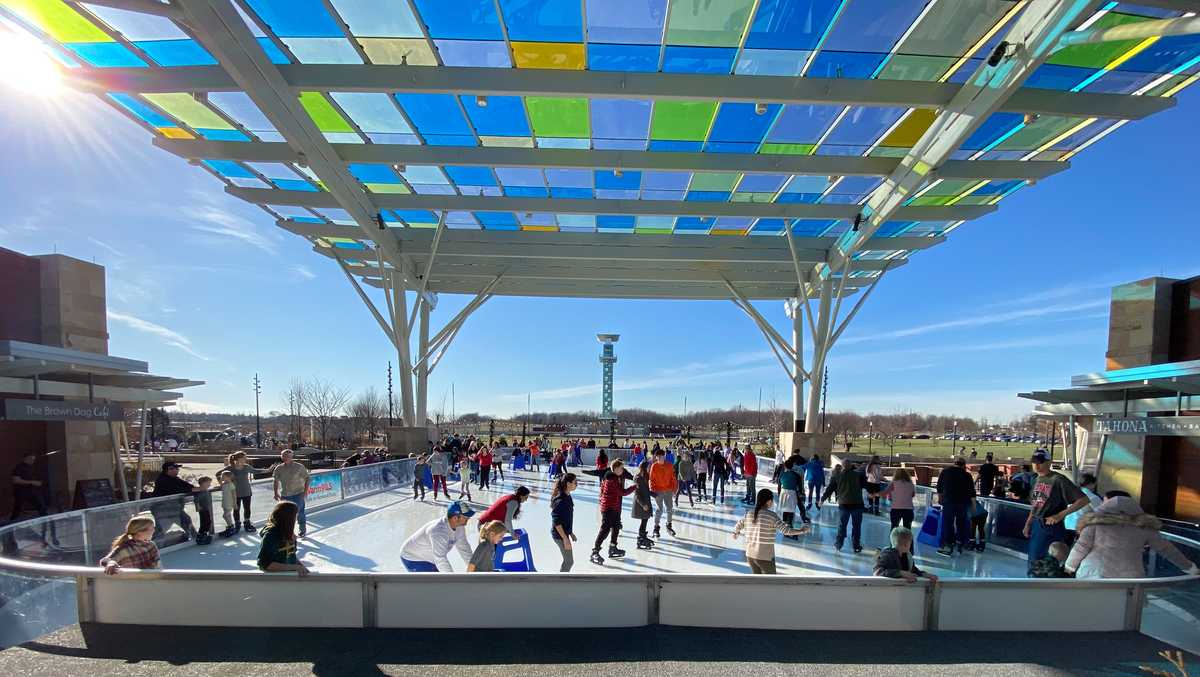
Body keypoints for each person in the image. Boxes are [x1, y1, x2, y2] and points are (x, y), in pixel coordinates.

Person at [1065, 493, 1200, 579]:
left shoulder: (1095, 524)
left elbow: (1081, 547)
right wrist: (1189, 567)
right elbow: (1166, 549)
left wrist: (1069, 567)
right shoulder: (1144, 527)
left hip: (1095, 574)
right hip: (1129, 577)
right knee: (1124, 610)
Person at [1023, 450, 1090, 575]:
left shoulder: (1058, 480)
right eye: (1034, 462)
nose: (1036, 465)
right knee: (1034, 562)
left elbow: (1083, 500)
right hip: (1037, 525)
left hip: (1051, 526)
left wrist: (1060, 515)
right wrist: (1028, 523)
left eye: (1040, 462)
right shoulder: (1036, 479)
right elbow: (1036, 505)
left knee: (1050, 564)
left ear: (1049, 462)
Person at [732, 488, 808, 574]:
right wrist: (801, 530)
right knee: (771, 581)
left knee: (757, 580)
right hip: (765, 557)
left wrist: (735, 533)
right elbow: (786, 531)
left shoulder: (749, 513)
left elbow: (739, 524)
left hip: (750, 556)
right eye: (772, 500)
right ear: (768, 501)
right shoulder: (772, 516)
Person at [400, 501, 476, 572]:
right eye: (466, 517)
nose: (468, 518)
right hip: (413, 558)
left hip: (431, 558)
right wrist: (452, 579)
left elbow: (464, 549)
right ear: (455, 518)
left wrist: (474, 570)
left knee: (441, 577)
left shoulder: (459, 527)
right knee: (438, 580)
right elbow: (440, 559)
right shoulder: (438, 531)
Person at [591, 459, 636, 564]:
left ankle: (613, 547)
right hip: (608, 508)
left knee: (616, 526)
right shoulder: (611, 479)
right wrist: (634, 487)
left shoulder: (615, 477)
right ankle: (595, 551)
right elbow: (622, 492)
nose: (622, 470)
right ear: (615, 468)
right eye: (621, 468)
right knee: (605, 529)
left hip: (614, 507)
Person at [936, 457, 977, 556]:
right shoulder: (967, 475)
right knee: (961, 524)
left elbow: (939, 487)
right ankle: (960, 545)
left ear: (954, 463)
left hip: (948, 502)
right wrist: (974, 506)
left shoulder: (945, 472)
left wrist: (940, 499)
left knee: (948, 524)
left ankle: (948, 545)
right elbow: (972, 492)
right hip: (963, 503)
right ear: (964, 465)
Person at [823, 461, 867, 553]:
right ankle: (856, 545)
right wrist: (873, 493)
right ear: (851, 466)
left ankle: (839, 544)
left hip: (844, 504)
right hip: (857, 504)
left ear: (842, 466)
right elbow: (866, 485)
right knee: (856, 526)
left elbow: (830, 489)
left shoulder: (837, 476)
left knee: (842, 525)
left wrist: (822, 499)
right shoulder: (858, 475)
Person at [256, 501, 310, 576]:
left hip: (289, 576)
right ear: (288, 518)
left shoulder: (290, 534)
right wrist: (295, 567)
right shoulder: (271, 536)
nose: (296, 519)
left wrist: (302, 567)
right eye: (294, 516)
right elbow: (265, 564)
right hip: (277, 578)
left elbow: (291, 556)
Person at [150, 461, 199, 538]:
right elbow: (178, 489)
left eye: (177, 469)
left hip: (175, 509)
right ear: (169, 470)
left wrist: (198, 489)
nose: (177, 470)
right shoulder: (162, 480)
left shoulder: (175, 479)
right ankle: (152, 543)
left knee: (187, 521)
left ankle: (195, 538)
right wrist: (195, 489)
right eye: (175, 469)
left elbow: (189, 486)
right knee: (161, 530)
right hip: (162, 510)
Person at [874, 527, 938, 584]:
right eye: (910, 543)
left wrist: (924, 574)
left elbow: (914, 570)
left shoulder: (907, 556)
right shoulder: (887, 555)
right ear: (906, 544)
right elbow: (877, 571)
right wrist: (900, 573)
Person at [272, 449, 311, 538]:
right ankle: (290, 532)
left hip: (298, 494)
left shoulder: (299, 467)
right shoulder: (279, 468)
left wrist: (305, 492)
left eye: (288, 456)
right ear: (281, 457)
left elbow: (307, 478)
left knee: (300, 512)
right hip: (285, 495)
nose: (286, 458)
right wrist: (275, 492)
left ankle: (302, 530)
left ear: (292, 457)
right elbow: (275, 481)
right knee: (286, 515)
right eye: (284, 456)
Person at [221, 451, 256, 533]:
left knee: (247, 508)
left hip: (247, 491)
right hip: (235, 493)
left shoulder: (246, 467)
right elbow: (219, 474)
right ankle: (237, 524)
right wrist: (223, 483)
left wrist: (269, 469)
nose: (245, 459)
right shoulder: (230, 468)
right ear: (238, 459)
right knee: (236, 509)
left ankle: (247, 523)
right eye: (244, 458)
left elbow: (256, 471)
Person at [551, 473, 578, 571]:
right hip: (559, 535)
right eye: (575, 482)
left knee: (568, 561)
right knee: (569, 561)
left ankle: (562, 577)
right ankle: (561, 579)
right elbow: (556, 522)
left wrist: (570, 532)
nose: (577, 484)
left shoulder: (567, 496)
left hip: (564, 533)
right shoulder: (560, 500)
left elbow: (566, 518)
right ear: (568, 484)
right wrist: (565, 539)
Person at [9, 452, 47, 522]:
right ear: (26, 458)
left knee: (41, 506)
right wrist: (32, 482)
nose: (33, 461)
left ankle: (45, 521)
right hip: (21, 492)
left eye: (34, 459)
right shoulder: (18, 467)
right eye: (31, 459)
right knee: (17, 510)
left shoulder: (31, 467)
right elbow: (16, 480)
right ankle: (11, 523)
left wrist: (37, 482)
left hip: (31, 491)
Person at [649, 450, 677, 538]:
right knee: (660, 509)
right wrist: (652, 489)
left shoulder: (669, 466)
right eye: (659, 457)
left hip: (668, 491)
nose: (661, 458)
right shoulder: (654, 466)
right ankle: (656, 527)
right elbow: (651, 479)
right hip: (658, 491)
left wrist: (674, 489)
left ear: (664, 456)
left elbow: (673, 478)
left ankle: (669, 525)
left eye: (662, 456)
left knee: (670, 508)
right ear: (656, 457)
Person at [776, 458, 806, 538]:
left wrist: (779, 494)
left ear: (785, 466)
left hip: (783, 493)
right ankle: (789, 529)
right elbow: (800, 487)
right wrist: (801, 494)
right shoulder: (796, 475)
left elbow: (779, 485)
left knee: (785, 511)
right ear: (792, 466)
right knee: (791, 511)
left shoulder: (782, 474)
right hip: (792, 493)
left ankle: (785, 529)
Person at [631, 461, 655, 550]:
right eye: (648, 467)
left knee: (645, 520)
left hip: (646, 502)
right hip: (641, 504)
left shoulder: (645, 477)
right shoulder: (638, 478)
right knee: (644, 520)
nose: (650, 468)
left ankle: (642, 536)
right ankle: (641, 538)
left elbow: (646, 490)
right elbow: (637, 494)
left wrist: (655, 494)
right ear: (644, 468)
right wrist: (643, 504)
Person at [193, 476, 214, 545]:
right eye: (208, 483)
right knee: (204, 522)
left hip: (206, 508)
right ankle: (200, 535)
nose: (209, 485)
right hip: (202, 509)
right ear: (203, 483)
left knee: (208, 521)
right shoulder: (199, 491)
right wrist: (197, 507)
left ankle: (204, 533)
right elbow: (196, 499)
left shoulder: (206, 490)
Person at [218, 470, 238, 538]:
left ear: (228, 477)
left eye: (223, 476)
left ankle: (231, 527)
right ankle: (230, 527)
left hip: (229, 503)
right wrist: (220, 482)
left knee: (225, 515)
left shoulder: (231, 485)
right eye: (222, 476)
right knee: (228, 515)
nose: (221, 477)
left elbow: (234, 495)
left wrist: (235, 504)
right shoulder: (224, 484)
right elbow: (221, 488)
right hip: (224, 502)